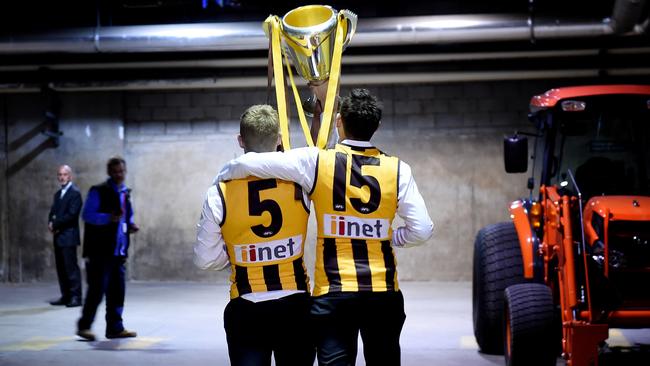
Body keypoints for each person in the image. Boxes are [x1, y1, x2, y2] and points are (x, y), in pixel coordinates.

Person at [217, 89, 434, 366]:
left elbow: (260, 163)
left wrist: (224, 174)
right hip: (383, 292)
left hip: (333, 293)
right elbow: (423, 229)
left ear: (338, 120)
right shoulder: (398, 169)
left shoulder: (318, 161)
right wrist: (392, 236)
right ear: (377, 126)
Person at [194, 104, 314, 366]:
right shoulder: (301, 184)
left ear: (240, 140)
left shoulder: (219, 192)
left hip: (246, 308)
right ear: (280, 140)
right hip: (296, 306)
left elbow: (205, 259)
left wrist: (237, 255)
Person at [76, 156, 139, 341]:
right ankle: (84, 327)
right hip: (100, 252)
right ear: (109, 172)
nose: (119, 174)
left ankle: (115, 328)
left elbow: (128, 217)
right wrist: (107, 218)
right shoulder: (98, 191)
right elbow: (87, 215)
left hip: (118, 252)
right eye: (115, 171)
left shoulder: (126, 193)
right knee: (96, 291)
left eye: (121, 171)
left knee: (117, 291)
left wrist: (132, 225)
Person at [48, 164, 83, 307]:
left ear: (70, 176)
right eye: (60, 175)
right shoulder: (57, 194)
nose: (62, 177)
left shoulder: (75, 193)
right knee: (61, 269)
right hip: (58, 237)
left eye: (64, 174)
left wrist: (55, 224)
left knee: (71, 268)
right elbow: (52, 212)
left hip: (68, 236)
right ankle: (66, 296)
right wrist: (50, 222)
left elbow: (72, 215)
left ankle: (76, 297)